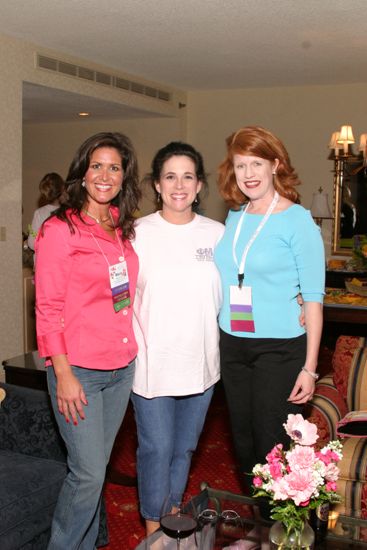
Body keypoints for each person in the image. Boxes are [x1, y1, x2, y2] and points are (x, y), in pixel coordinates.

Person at [214, 126, 325, 548]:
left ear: (275, 164)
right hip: (234, 342)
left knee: (272, 444)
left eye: (256, 163)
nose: (248, 173)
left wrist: (310, 368)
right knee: (243, 443)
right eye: (241, 165)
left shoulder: (297, 220)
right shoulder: (235, 217)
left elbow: (313, 300)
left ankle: (290, 535)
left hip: (280, 349)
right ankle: (262, 529)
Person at [35, 132, 140, 550]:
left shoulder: (119, 224)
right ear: (81, 172)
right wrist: (62, 372)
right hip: (78, 370)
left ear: (123, 177)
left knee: (93, 471)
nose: (104, 174)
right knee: (89, 474)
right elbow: (46, 307)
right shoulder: (60, 228)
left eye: (114, 167)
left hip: (121, 367)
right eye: (97, 165)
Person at [131, 141, 224, 535]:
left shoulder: (219, 235)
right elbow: (118, 298)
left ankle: (171, 519)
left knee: (184, 449)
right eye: (170, 176)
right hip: (151, 365)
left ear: (200, 185)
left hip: (201, 363)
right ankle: (155, 530)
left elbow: (241, 294)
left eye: (188, 176)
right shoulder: (136, 233)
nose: (179, 185)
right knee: (156, 449)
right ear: (156, 185)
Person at [27, 172, 65, 251]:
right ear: (62, 189)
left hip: (42, 260)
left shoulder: (40, 213)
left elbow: (31, 243)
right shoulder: (69, 213)